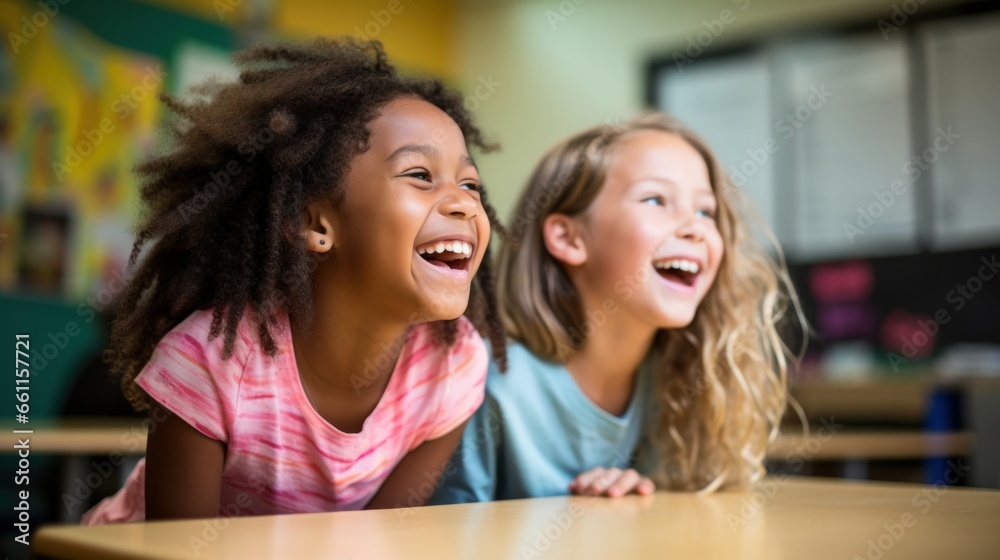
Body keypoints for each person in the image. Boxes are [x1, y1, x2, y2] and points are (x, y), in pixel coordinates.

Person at [83, 37, 508, 523]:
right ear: (317, 225)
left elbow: (383, 539)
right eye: (419, 174)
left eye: (470, 183)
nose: (464, 203)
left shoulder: (453, 366)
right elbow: (177, 551)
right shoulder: (211, 364)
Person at [431, 113, 804, 503]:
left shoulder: (680, 381)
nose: (695, 228)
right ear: (569, 237)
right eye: (656, 199)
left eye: (704, 211)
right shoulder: (486, 382)